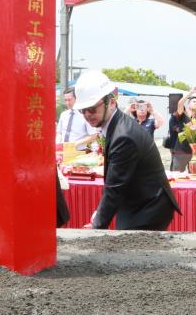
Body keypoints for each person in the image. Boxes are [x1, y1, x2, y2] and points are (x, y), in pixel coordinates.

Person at [74, 70, 180, 230]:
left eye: (92, 109)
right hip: (140, 202)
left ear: (111, 102)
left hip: (148, 208)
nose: (88, 115)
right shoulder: (116, 125)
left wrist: (96, 226)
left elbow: (114, 187)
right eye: (83, 111)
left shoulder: (123, 136)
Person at [169, 89, 196, 172]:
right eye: (194, 101)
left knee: (193, 177)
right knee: (177, 175)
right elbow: (180, 104)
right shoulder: (183, 115)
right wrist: (191, 92)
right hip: (181, 151)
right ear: (188, 104)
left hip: (195, 153)